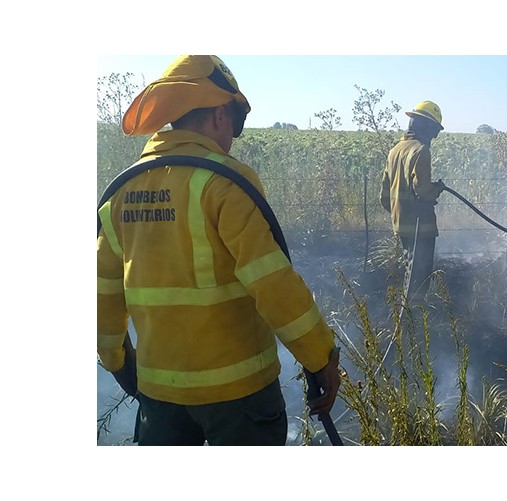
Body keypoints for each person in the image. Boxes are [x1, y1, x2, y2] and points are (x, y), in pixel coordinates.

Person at [97, 55, 341, 446]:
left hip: (160, 396)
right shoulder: (226, 183)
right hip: (241, 397)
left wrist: (117, 363)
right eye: (236, 122)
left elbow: (103, 294)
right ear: (219, 114)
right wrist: (320, 357)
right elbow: (273, 284)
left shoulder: (122, 192)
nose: (232, 136)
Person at [379, 100, 446, 300]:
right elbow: (423, 190)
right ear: (427, 127)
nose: (434, 137)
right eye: (434, 131)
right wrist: (437, 189)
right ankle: (413, 314)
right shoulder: (421, 150)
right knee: (420, 277)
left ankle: (406, 310)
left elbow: (384, 196)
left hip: (402, 225)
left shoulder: (395, 150)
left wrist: (400, 212)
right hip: (421, 227)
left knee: (410, 271)